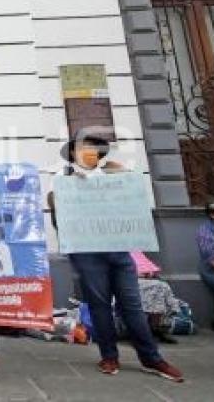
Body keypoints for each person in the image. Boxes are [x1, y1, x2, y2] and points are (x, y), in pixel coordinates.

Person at [50, 128, 183, 382]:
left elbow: (133, 203)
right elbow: (60, 217)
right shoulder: (63, 178)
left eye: (93, 147)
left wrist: (122, 172)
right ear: (72, 153)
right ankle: (109, 356)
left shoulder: (113, 174)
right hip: (87, 253)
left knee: (132, 305)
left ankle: (151, 358)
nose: (88, 152)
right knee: (100, 306)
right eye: (82, 147)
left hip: (120, 251)